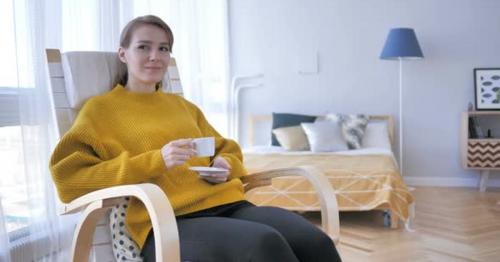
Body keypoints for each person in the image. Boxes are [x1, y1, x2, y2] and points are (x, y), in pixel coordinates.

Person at [49, 15, 341, 262]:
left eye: (163, 48)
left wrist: (225, 164)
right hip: (168, 223)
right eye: (144, 47)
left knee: (315, 242)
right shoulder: (100, 111)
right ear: (123, 54)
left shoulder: (182, 107)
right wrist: (155, 161)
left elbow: (227, 149)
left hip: (231, 206)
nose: (155, 56)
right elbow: (68, 180)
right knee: (265, 244)